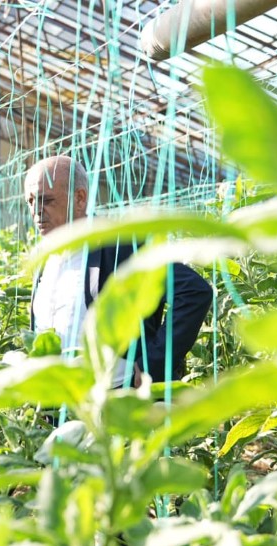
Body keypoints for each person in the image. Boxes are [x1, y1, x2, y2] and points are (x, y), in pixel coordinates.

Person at [25, 155, 212, 385]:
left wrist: (152, 363)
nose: (36, 211)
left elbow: (193, 292)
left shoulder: (119, 244)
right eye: (31, 201)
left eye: (47, 200)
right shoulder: (44, 257)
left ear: (80, 198)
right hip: (57, 407)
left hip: (114, 400)